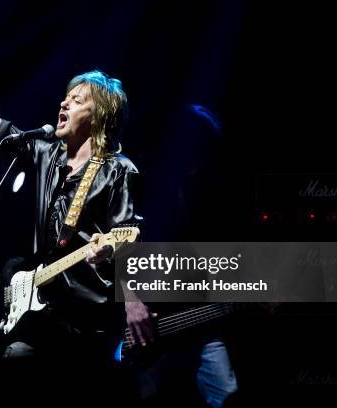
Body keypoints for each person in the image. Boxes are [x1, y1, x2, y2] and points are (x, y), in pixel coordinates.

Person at [0, 30, 142, 397]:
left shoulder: (117, 170)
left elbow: (128, 241)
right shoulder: (46, 153)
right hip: (42, 310)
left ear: (100, 115)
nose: (63, 104)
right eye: (65, 97)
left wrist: (135, 301)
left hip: (89, 322)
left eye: (76, 101)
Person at [125, 104, 238, 407]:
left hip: (198, 316)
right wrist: (132, 302)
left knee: (225, 393)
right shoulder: (141, 182)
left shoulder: (206, 194)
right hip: (148, 327)